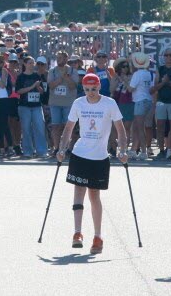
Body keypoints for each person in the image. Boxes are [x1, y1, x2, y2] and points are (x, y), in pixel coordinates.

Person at [55, 73, 129, 255]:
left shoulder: (109, 103)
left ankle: (98, 236)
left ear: (99, 87)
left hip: (100, 157)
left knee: (94, 196)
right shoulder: (78, 103)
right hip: (80, 154)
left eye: (94, 89)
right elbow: (68, 129)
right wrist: (62, 149)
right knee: (78, 192)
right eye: (87, 90)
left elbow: (120, 129)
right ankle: (77, 233)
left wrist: (123, 150)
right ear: (83, 88)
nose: (91, 93)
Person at [47, 51, 80, 158]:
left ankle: (66, 148)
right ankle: (56, 148)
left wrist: (66, 78)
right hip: (55, 103)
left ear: (66, 59)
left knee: (68, 127)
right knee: (55, 126)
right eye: (57, 57)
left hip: (68, 103)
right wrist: (62, 78)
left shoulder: (73, 71)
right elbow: (51, 85)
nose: (58, 59)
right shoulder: (52, 71)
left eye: (61, 58)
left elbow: (73, 86)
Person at [15, 55, 48, 157]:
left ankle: (41, 151)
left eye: (33, 63)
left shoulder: (37, 76)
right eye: (30, 63)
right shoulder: (21, 77)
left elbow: (42, 92)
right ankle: (28, 151)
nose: (32, 65)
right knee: (26, 129)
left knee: (39, 127)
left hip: (36, 106)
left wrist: (38, 87)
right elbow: (19, 91)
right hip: (24, 106)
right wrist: (32, 86)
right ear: (24, 64)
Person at [127, 52, 154, 160]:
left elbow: (131, 89)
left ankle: (143, 151)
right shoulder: (148, 73)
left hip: (140, 101)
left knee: (139, 127)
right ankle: (135, 150)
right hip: (147, 100)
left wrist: (125, 81)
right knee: (139, 127)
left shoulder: (137, 74)